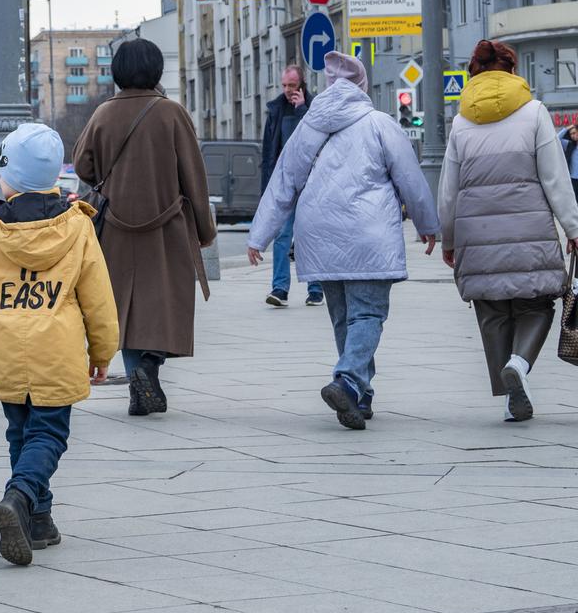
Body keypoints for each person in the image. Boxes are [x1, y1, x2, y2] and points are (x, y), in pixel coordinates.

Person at [247, 52, 439, 430]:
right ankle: (349, 379)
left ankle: (360, 395)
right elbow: (410, 178)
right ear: (362, 87)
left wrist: (260, 235)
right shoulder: (380, 124)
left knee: (342, 317)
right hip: (369, 233)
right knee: (367, 314)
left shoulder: (309, 127)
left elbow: (284, 180)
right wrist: (427, 224)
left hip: (318, 233)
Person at [0, 123, 119, 566]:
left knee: (20, 432)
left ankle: (38, 519)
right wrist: (102, 353)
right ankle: (21, 496)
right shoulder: (77, 227)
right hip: (57, 349)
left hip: (8, 347)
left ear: (9, 176)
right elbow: (98, 299)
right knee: (48, 434)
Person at [74, 38, 216, 417]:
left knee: (124, 308)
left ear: (117, 72)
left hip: (116, 230)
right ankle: (149, 368)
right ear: (156, 70)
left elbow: (83, 167)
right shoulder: (171, 113)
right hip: (166, 226)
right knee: (166, 303)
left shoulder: (102, 114)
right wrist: (204, 228)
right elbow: (194, 176)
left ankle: (138, 375)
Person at [439, 40, 578, 422]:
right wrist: (573, 227)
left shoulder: (460, 121)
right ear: (513, 71)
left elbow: (448, 189)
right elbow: (554, 177)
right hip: (529, 229)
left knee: (492, 309)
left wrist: (448, 238)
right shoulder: (534, 113)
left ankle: (509, 394)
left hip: (476, 234)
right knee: (537, 304)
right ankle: (519, 363)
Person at [261, 65, 324, 307]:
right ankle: (280, 289)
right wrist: (267, 187)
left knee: (311, 235)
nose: (287, 90)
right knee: (282, 235)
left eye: (292, 86)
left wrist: (301, 111)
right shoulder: (275, 110)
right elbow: (269, 150)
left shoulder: (313, 107)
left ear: (302, 85)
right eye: (284, 85)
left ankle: (316, 289)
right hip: (285, 181)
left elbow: (313, 137)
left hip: (311, 182)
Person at [557, 123, 578, 203]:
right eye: (571, 134)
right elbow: (557, 138)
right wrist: (567, 128)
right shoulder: (569, 144)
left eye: (574, 133)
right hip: (573, 179)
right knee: (574, 201)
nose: (572, 135)